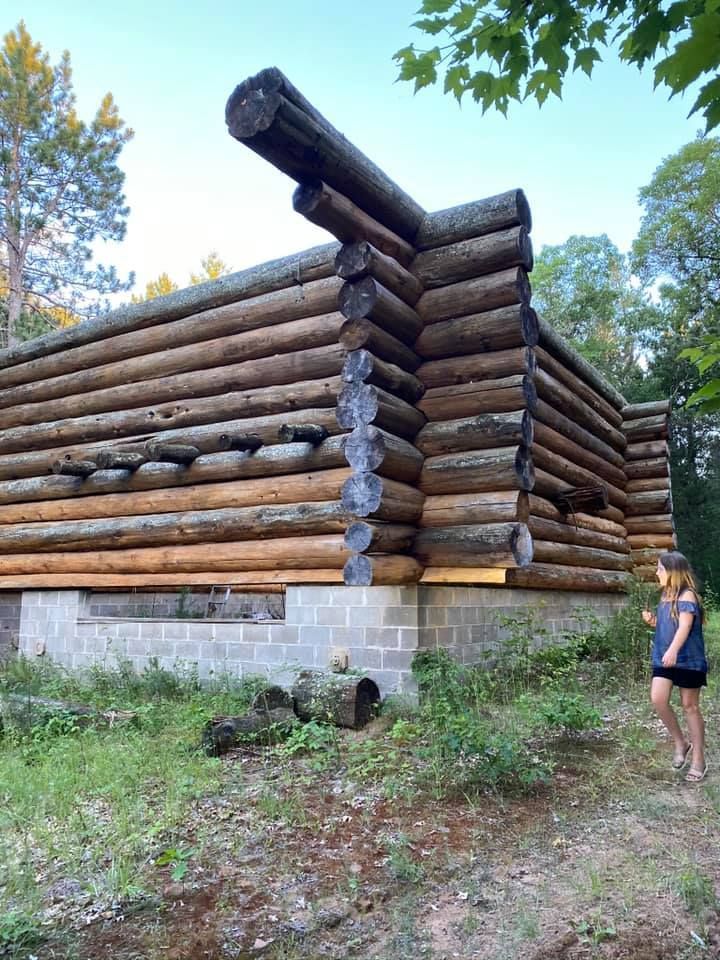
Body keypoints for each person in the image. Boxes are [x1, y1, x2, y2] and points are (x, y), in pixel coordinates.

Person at [642, 551, 708, 782]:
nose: (657, 572)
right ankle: (681, 742)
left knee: (690, 706)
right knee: (658, 699)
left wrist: (672, 650)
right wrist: (654, 622)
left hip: (688, 659)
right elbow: (670, 624)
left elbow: (684, 627)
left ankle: (699, 758)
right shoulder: (665, 595)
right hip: (664, 658)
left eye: (660, 568)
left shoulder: (688, 595)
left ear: (672, 571)